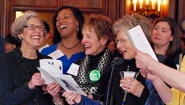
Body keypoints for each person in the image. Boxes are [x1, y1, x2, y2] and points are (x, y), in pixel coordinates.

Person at [61, 14, 176, 105]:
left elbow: (173, 103)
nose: (119, 46)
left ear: (138, 37)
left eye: (123, 40)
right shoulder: (118, 64)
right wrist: (81, 99)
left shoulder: (162, 64)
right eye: (117, 41)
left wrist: (142, 93)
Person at [46, 14, 119, 104]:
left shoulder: (116, 66)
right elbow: (65, 99)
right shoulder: (77, 64)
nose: (83, 41)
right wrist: (57, 94)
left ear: (103, 40)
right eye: (83, 36)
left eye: (88, 36)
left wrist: (86, 96)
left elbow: (113, 99)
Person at [0, 10, 54, 104]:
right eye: (31, 27)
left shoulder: (48, 61)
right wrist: (30, 85)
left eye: (40, 27)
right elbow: (3, 101)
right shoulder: (6, 60)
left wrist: (56, 95)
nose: (37, 31)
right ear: (20, 33)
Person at [41, 6, 85, 74]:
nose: (60, 21)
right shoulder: (46, 52)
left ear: (77, 22)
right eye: (57, 19)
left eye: (66, 17)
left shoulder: (89, 52)